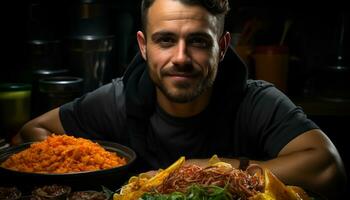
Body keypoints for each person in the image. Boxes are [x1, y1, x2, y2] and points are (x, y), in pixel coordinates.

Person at [13, 0, 346, 198]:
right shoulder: (116, 100)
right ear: (144, 46)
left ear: (223, 46)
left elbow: (329, 168)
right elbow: (30, 134)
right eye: (166, 40)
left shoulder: (255, 101)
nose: (181, 57)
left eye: (199, 41)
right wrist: (93, 168)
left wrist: (212, 169)